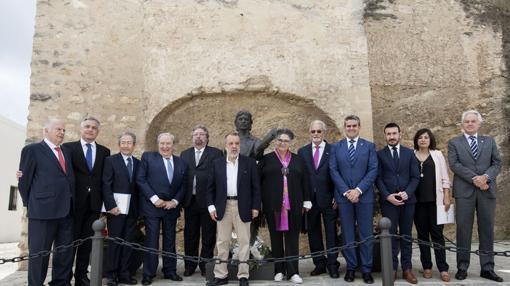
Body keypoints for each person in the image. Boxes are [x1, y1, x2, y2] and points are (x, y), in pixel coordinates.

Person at [18, 118, 75, 286]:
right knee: (40, 254)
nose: (61, 132)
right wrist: (32, 204)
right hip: (42, 211)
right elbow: (24, 182)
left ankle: (61, 283)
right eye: (58, 129)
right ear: (46, 131)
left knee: (64, 253)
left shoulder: (66, 151)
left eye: (63, 130)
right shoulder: (32, 150)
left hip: (66, 210)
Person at [448, 110, 502, 282]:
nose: (470, 124)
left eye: (473, 121)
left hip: (487, 190)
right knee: (463, 230)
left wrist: (485, 177)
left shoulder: (489, 141)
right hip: (464, 192)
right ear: (462, 124)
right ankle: (462, 267)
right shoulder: (454, 143)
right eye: (467, 122)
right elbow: (454, 164)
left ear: (479, 123)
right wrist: (474, 179)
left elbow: (497, 163)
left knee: (486, 229)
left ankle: (487, 268)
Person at [206, 132, 261, 286]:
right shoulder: (217, 163)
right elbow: (210, 188)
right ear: (226, 146)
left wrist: (256, 207)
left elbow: (256, 187)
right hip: (223, 207)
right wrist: (211, 207)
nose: (234, 146)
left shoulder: (249, 163)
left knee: (244, 242)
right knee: (222, 242)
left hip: (243, 207)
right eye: (231, 143)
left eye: (237, 143)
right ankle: (221, 276)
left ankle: (243, 276)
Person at [259, 128, 311, 284]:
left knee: (292, 239)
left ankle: (293, 272)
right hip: (273, 205)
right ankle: (279, 270)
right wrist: (259, 203)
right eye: (280, 140)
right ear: (276, 142)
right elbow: (259, 182)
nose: (282, 143)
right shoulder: (266, 159)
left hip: (293, 205)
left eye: (286, 140)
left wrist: (306, 200)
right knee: (275, 238)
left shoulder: (298, 160)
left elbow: (305, 181)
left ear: (290, 143)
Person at [329, 115, 378, 284]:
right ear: (344, 127)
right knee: (348, 233)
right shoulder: (336, 147)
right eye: (348, 126)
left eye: (354, 126)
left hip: (364, 197)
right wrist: (346, 192)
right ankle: (351, 267)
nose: (351, 128)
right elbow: (333, 171)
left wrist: (357, 190)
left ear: (359, 126)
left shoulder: (369, 146)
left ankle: (366, 269)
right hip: (344, 198)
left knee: (366, 233)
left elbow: (373, 170)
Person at [63, 116, 110, 286]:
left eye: (94, 128)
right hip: (73, 204)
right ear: (81, 129)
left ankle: (81, 276)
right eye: (87, 127)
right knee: (70, 243)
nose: (90, 130)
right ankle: (65, 277)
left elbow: (105, 179)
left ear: (98, 131)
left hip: (94, 204)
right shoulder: (68, 148)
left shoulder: (105, 151)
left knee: (87, 243)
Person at [136, 132, 188, 285]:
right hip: (152, 207)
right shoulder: (148, 157)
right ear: (158, 145)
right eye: (162, 144)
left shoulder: (181, 163)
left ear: (173, 145)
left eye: (168, 144)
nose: (165, 147)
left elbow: (183, 185)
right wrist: (154, 199)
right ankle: (148, 274)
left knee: (170, 240)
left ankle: (170, 270)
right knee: (151, 240)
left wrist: (175, 201)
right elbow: (141, 179)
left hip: (171, 208)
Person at [376, 123, 420, 284]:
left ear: (400, 134)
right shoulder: (379, 155)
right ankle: (392, 268)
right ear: (385, 136)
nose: (392, 136)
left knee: (407, 235)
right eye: (388, 134)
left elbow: (415, 177)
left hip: (408, 201)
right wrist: (387, 196)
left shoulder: (410, 154)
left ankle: (407, 269)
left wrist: (407, 193)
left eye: (394, 133)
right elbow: (378, 178)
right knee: (391, 235)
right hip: (389, 202)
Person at [297, 120, 339, 279]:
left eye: (319, 131)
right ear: (310, 133)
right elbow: (301, 177)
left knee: (331, 233)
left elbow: (337, 174)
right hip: (310, 201)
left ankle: (333, 265)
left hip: (329, 198)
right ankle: (319, 263)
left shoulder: (333, 150)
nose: (316, 134)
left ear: (324, 133)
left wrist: (336, 194)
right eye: (313, 131)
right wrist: (302, 199)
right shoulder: (303, 151)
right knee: (313, 233)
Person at [180, 125, 223, 277]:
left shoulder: (216, 153)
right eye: (196, 134)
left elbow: (220, 178)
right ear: (192, 138)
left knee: (208, 235)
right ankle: (189, 266)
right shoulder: (184, 154)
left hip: (208, 202)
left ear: (207, 137)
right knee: (190, 235)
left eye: (202, 134)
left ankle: (206, 265)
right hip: (190, 201)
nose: (198, 137)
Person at [412, 128, 451, 282]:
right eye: (420, 137)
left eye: (426, 137)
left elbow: (445, 177)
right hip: (417, 203)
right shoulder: (411, 155)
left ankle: (443, 268)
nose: (423, 140)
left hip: (436, 201)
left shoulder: (438, 155)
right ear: (416, 140)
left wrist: (447, 196)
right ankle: (427, 266)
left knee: (437, 235)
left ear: (430, 140)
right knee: (422, 236)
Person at [102, 132, 140, 286]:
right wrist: (111, 206)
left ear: (133, 145)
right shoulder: (110, 161)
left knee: (128, 243)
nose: (126, 145)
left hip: (133, 210)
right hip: (116, 210)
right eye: (123, 142)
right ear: (119, 145)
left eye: (129, 142)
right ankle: (111, 275)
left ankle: (125, 273)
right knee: (115, 242)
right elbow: (106, 184)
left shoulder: (138, 163)